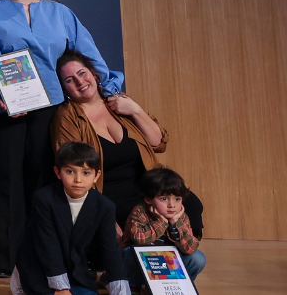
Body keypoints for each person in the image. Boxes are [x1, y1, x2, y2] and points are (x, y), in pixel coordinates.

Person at [0, 0, 123, 278]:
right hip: (7, 109)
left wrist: (108, 85)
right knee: (6, 181)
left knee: (44, 179)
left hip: (51, 106)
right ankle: (3, 260)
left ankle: (43, 254)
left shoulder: (61, 13)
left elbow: (87, 52)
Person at [50, 50, 187, 228]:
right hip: (108, 199)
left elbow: (158, 143)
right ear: (64, 88)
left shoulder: (118, 100)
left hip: (146, 193)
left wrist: (136, 110)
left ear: (93, 73)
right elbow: (74, 176)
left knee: (191, 205)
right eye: (69, 80)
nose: (79, 81)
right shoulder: (66, 118)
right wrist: (108, 223)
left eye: (82, 73)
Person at [12, 142, 129, 295]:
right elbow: (48, 244)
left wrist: (120, 289)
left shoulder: (105, 206)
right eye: (70, 172)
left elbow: (110, 250)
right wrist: (60, 288)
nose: (78, 180)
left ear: (96, 176)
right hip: (39, 267)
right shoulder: (44, 199)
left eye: (86, 173)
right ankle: (20, 282)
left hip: (74, 271)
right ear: (58, 172)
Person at [120, 167, 204, 284]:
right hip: (143, 259)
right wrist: (162, 221)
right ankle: (132, 285)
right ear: (149, 200)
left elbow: (190, 248)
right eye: (164, 199)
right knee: (130, 253)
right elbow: (139, 240)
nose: (172, 205)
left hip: (167, 261)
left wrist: (175, 224)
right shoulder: (140, 211)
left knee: (198, 258)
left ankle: (177, 284)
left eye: (177, 199)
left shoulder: (181, 216)